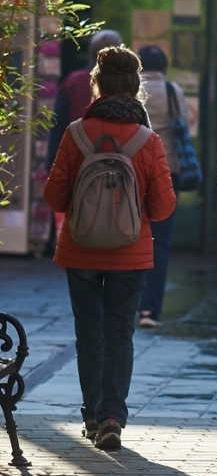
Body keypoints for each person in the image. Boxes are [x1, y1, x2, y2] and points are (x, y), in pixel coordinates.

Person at [43, 46, 176, 450]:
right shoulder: (147, 140)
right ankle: (112, 416)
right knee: (120, 332)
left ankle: (91, 415)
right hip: (129, 253)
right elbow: (163, 207)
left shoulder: (76, 133)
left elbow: (54, 196)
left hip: (80, 248)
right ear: (136, 88)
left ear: (96, 85)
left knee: (89, 333)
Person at [136, 44, 192, 329]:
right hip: (167, 171)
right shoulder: (173, 91)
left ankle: (128, 302)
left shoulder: (133, 91)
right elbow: (184, 127)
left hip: (134, 173)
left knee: (131, 236)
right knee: (160, 242)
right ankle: (150, 309)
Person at [47, 29, 122, 167]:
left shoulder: (73, 82)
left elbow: (59, 125)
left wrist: (52, 163)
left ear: (91, 53)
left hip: (77, 161)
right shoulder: (126, 85)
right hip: (117, 164)